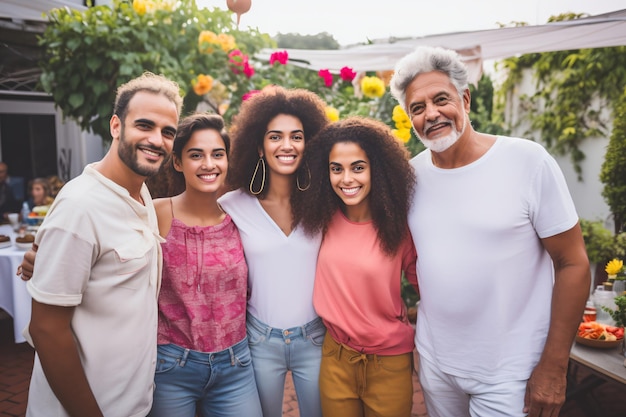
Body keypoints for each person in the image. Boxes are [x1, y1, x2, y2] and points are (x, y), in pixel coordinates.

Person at [389, 46, 591, 417]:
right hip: (436, 363)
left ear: (465, 99)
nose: (431, 114)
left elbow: (573, 263)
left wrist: (554, 365)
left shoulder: (527, 161)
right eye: (417, 108)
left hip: (512, 372)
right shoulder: (410, 178)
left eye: (441, 99)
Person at [23, 72, 182, 417]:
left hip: (131, 403)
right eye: (145, 125)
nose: (157, 140)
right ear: (115, 126)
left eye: (167, 132)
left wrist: (39, 253)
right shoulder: (80, 206)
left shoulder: (139, 192)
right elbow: (47, 329)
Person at [295, 116, 418, 417]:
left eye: (358, 168)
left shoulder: (401, 229)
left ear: (379, 169)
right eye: (336, 169)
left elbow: (429, 291)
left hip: (389, 363)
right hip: (335, 358)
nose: (346, 179)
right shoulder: (320, 220)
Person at [217, 86, 329, 417]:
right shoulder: (233, 205)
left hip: (315, 338)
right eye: (275, 137)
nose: (287, 145)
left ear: (309, 144)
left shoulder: (324, 205)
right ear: (260, 146)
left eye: (297, 136)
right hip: (259, 340)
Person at [148, 113, 262, 417]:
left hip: (235, 365)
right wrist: (39, 253)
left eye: (217, 154)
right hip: (172, 366)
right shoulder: (156, 212)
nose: (208, 164)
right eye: (196, 155)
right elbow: (104, 241)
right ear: (177, 162)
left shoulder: (240, 214)